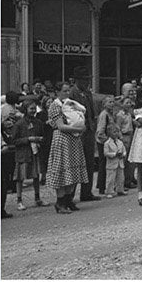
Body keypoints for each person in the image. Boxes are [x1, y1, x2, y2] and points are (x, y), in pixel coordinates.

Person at [45, 84, 88, 213]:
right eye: (64, 91)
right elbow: (60, 126)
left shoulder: (70, 104)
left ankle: (69, 200)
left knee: (74, 169)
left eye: (68, 90)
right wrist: (78, 129)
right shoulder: (55, 106)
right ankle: (60, 202)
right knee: (63, 169)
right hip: (62, 139)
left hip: (74, 139)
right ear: (57, 92)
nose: (67, 93)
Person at [70, 75, 99, 202]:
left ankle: (86, 192)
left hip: (89, 129)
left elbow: (92, 110)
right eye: (84, 80)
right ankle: (69, 196)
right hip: (78, 131)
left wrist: (93, 122)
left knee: (89, 162)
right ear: (78, 81)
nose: (87, 82)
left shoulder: (87, 92)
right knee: (77, 163)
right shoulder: (72, 93)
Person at [10, 101, 43, 209]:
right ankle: (19, 200)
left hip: (35, 152)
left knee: (36, 175)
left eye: (34, 109)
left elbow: (42, 135)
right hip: (23, 153)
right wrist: (28, 139)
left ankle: (37, 198)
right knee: (20, 178)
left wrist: (40, 140)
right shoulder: (19, 124)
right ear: (25, 109)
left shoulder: (38, 122)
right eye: (31, 109)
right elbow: (14, 140)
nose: (33, 111)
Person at [102, 121, 127, 198]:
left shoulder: (120, 142)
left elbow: (124, 150)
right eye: (114, 132)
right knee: (110, 179)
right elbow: (106, 153)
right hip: (111, 163)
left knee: (121, 177)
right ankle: (109, 191)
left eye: (117, 132)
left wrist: (123, 154)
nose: (116, 133)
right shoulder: (107, 143)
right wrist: (114, 154)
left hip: (120, 162)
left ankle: (120, 189)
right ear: (109, 133)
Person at [116, 96, 137, 189]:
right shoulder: (120, 115)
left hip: (131, 135)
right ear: (122, 104)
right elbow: (118, 127)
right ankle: (120, 183)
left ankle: (129, 180)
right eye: (127, 103)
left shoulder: (129, 114)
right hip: (124, 136)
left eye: (130, 103)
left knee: (130, 160)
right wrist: (120, 139)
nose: (129, 105)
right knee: (123, 161)